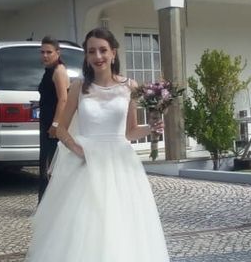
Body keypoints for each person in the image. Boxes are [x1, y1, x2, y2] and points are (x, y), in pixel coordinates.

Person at [25, 28, 169, 262]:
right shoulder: (79, 86)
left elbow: (130, 132)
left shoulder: (129, 86)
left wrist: (151, 128)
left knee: (120, 226)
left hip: (120, 166)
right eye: (91, 51)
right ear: (86, 56)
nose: (98, 56)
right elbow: (61, 128)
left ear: (113, 53)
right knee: (84, 227)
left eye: (103, 50)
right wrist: (77, 148)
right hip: (85, 164)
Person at [37, 36, 70, 201]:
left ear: (58, 52)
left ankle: (49, 204)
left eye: (49, 52)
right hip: (46, 121)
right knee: (44, 163)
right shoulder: (49, 70)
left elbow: (63, 99)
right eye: (42, 52)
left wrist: (55, 125)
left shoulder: (59, 71)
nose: (45, 55)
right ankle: (45, 204)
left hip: (53, 126)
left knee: (49, 166)